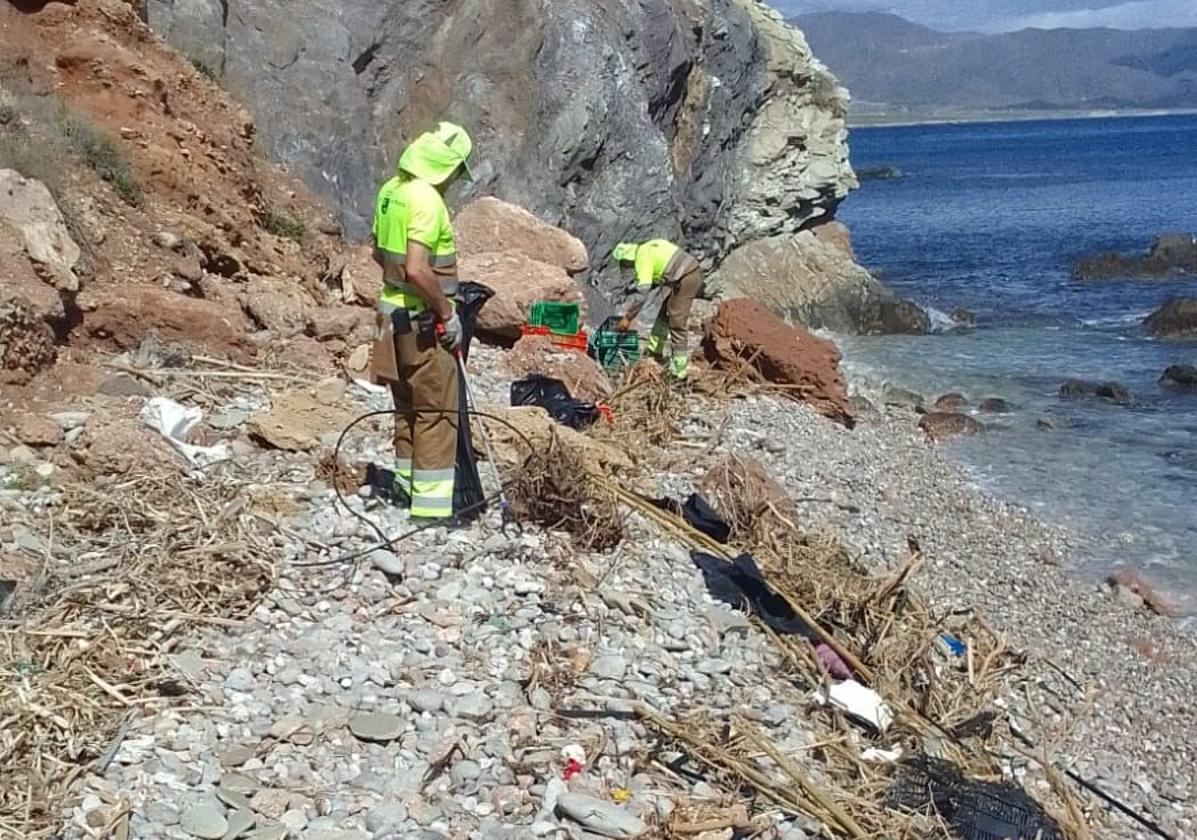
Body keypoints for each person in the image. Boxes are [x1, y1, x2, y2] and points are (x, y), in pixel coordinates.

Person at [369, 122, 473, 520]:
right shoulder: (426, 201)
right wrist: (446, 313)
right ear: (447, 167)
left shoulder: (390, 191)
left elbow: (379, 253)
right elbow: (417, 268)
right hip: (421, 320)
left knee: (405, 404)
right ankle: (430, 511)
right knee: (435, 410)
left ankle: (404, 487)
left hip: (386, 316)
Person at [612, 239, 704, 380]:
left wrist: (628, 317)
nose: (628, 267)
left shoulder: (642, 257)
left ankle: (679, 372)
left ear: (628, 259)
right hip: (685, 274)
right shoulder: (648, 246)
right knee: (665, 312)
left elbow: (642, 294)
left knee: (677, 320)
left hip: (687, 277)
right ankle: (654, 350)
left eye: (625, 264)